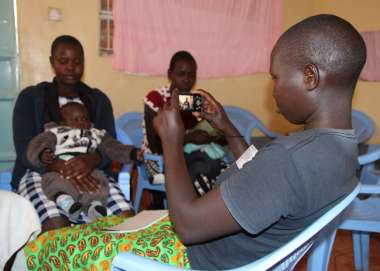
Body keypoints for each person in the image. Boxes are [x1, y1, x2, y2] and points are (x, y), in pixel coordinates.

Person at [152, 14, 365, 269]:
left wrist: (172, 141)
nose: (273, 89)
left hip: (195, 259)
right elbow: (259, 178)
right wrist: (226, 125)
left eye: (276, 77)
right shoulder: (340, 150)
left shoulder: (289, 159)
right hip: (237, 253)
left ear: (310, 77)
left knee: (91, 239)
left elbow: (187, 225)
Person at [12, 35, 133, 233]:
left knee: (125, 221)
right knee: (57, 225)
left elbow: (109, 145)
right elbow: (24, 150)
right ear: (52, 62)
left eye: (77, 62)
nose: (71, 67)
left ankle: (106, 263)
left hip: (92, 173)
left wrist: (91, 160)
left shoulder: (98, 100)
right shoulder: (31, 98)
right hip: (40, 174)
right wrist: (58, 165)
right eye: (63, 61)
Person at [26, 102, 141, 222]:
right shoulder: (55, 132)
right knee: (53, 181)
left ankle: (94, 206)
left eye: (84, 118)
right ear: (63, 123)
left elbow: (113, 147)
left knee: (99, 181)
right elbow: (39, 144)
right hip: (60, 168)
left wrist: (132, 153)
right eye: (75, 120)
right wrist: (43, 154)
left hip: (89, 169)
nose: (81, 122)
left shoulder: (96, 134)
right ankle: (66, 201)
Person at [142, 50, 227, 196]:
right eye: (181, 74)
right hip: (156, 162)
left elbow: (220, 137)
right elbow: (155, 146)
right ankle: (195, 211)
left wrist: (211, 136)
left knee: (221, 169)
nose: (187, 79)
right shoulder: (156, 98)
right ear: (170, 74)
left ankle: (204, 210)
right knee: (200, 173)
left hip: (188, 157)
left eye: (192, 74)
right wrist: (189, 138)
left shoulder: (192, 100)